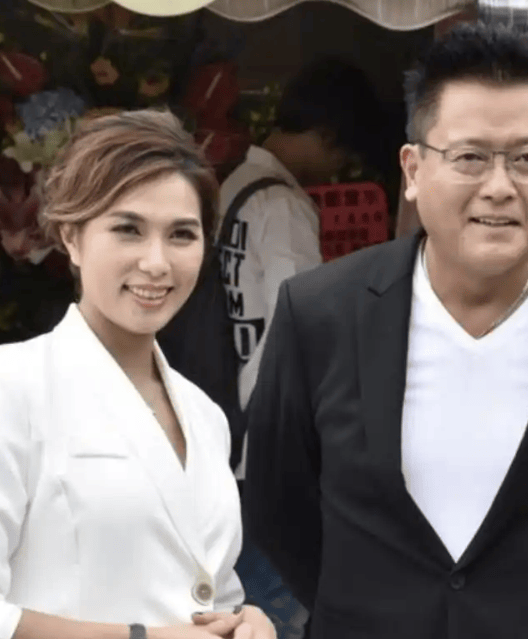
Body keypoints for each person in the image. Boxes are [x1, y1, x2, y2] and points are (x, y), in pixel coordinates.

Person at [243, 23, 528, 638]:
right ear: (413, 168)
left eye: (527, 159)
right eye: (469, 157)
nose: (499, 187)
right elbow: (280, 509)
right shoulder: (319, 314)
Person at [0, 110, 276, 639]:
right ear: (72, 238)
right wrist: (140, 638)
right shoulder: (9, 385)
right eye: (128, 230)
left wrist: (243, 620)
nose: (157, 262)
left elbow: (203, 591)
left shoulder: (205, 416)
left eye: (181, 234)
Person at [220, 59, 384, 638]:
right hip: (271, 438)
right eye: (343, 155)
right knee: (276, 609)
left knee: (234, 603)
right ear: (328, 135)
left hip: (229, 425)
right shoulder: (284, 206)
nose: (338, 171)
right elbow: (307, 327)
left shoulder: (234, 186)